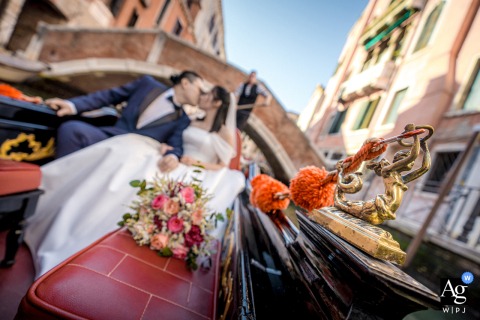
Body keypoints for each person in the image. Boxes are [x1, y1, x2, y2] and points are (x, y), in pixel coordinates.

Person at [24, 85, 245, 278]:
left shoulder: (225, 132)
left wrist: (196, 163)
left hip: (196, 169)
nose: (202, 96)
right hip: (175, 159)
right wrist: (169, 149)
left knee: (143, 171)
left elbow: (222, 165)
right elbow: (175, 140)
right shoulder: (190, 120)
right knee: (131, 153)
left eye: (208, 94)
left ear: (217, 102)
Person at [46, 70, 205, 172]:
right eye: (200, 89)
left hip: (134, 157)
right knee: (71, 129)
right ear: (185, 83)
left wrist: (173, 156)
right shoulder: (147, 84)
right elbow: (109, 96)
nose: (202, 95)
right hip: (111, 138)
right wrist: (73, 105)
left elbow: (176, 145)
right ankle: (60, 178)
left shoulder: (183, 119)